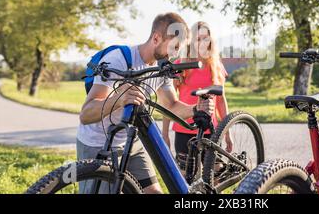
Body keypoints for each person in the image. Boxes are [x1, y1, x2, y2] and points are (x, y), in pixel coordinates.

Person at [76, 13, 215, 194]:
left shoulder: (163, 68)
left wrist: (195, 109)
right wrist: (118, 100)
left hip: (130, 142)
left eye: (179, 49)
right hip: (98, 143)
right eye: (174, 47)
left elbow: (171, 106)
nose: (175, 55)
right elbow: (86, 114)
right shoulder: (118, 59)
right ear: (156, 38)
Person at [162, 21, 231, 171]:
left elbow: (221, 101)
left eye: (205, 38)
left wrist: (227, 133)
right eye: (198, 38)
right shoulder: (182, 65)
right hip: (184, 129)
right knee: (186, 178)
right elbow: (169, 103)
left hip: (211, 131)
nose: (202, 42)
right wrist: (165, 134)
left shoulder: (217, 66)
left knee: (215, 176)